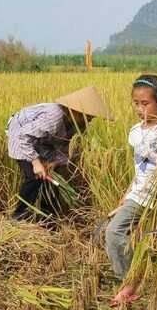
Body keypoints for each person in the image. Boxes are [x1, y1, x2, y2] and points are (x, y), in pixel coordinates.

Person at [106, 75, 157, 310]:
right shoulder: (134, 132)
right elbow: (138, 169)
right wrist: (124, 198)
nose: (140, 108)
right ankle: (131, 281)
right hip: (139, 196)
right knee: (114, 232)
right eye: (136, 103)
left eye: (145, 103)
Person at [6, 86, 111, 221]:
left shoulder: (78, 124)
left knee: (52, 178)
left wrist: (52, 163)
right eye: (88, 116)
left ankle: (49, 217)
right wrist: (36, 162)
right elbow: (23, 137)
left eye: (92, 117)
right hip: (21, 135)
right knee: (34, 176)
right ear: (77, 111)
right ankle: (18, 216)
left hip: (42, 141)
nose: (90, 120)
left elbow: (66, 148)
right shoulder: (54, 117)